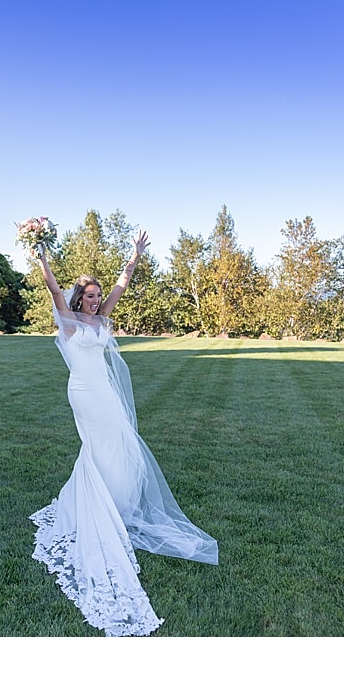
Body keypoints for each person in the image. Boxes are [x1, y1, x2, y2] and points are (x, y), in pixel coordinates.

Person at [30, 230, 218, 637]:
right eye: (90, 296)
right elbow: (51, 287)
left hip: (106, 392)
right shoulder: (68, 320)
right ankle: (98, 507)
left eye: (98, 296)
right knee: (98, 446)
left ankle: (117, 501)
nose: (96, 301)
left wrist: (133, 257)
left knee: (120, 442)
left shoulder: (101, 318)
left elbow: (123, 285)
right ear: (79, 298)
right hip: (83, 393)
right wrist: (42, 254)